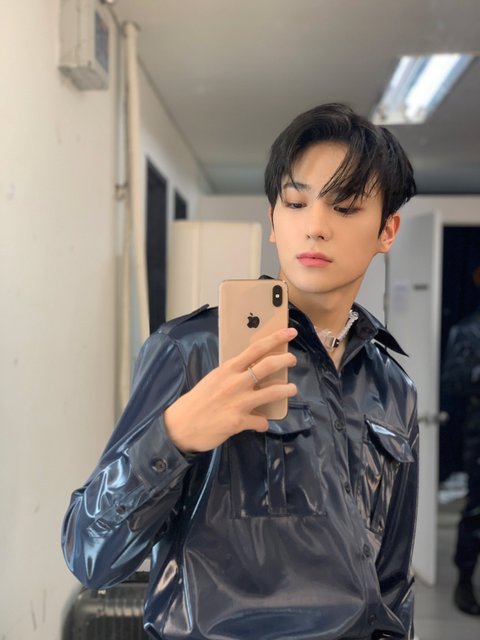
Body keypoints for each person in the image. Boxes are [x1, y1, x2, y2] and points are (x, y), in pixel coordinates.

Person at [62, 103, 419, 640]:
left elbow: (394, 584)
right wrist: (174, 436)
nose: (315, 227)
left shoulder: (393, 387)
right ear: (273, 220)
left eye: (345, 207)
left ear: (387, 230)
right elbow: (89, 555)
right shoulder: (193, 352)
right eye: (295, 203)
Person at [441, 268, 480, 616]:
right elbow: (453, 381)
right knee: (476, 509)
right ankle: (464, 579)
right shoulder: (467, 330)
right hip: (478, 433)